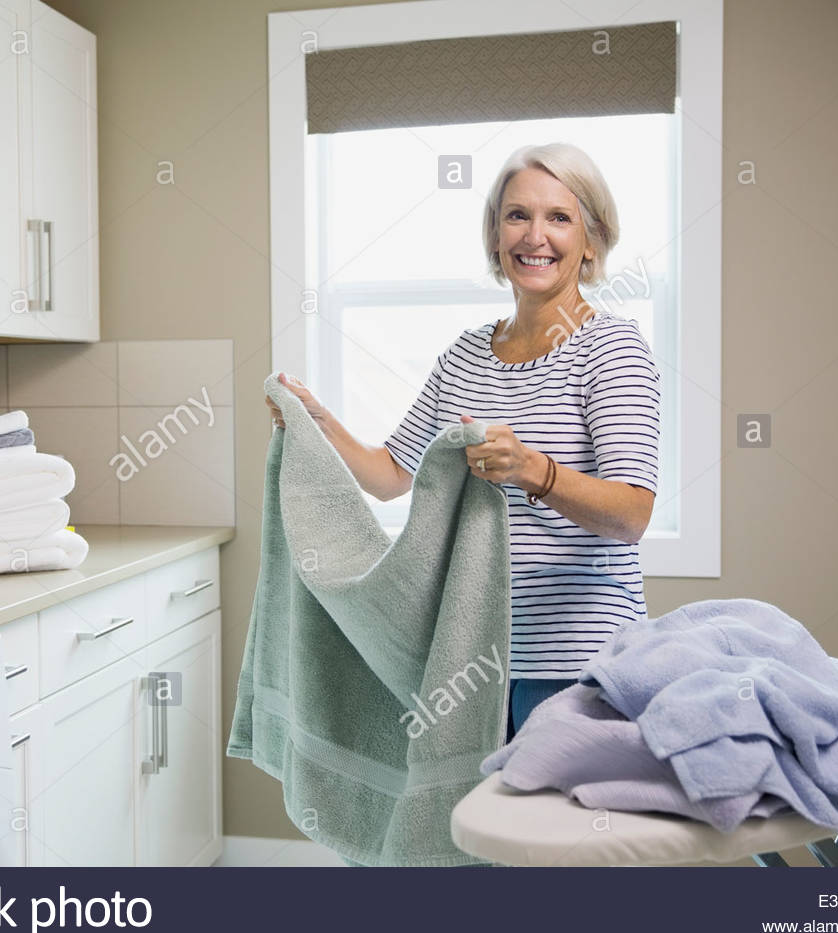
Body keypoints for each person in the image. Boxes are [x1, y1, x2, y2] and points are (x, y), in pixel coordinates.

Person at [267, 142, 661, 745]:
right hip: (475, 659)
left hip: (576, 661)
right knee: (478, 835)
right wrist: (317, 422)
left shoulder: (612, 350)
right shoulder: (466, 355)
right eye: (517, 215)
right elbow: (391, 472)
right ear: (496, 236)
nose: (535, 236)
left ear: (592, 240)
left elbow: (631, 514)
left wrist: (533, 468)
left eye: (560, 217)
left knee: (554, 835)